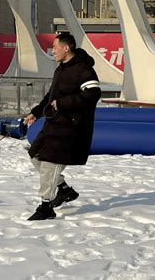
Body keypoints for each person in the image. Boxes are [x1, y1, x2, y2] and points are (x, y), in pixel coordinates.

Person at [23, 33, 101, 220]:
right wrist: (35, 112)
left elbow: (93, 95)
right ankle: (63, 189)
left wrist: (63, 103)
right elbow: (52, 96)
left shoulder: (83, 69)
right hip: (54, 125)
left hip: (70, 128)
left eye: (55, 47)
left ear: (66, 48)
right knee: (35, 155)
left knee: (50, 163)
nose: (53, 50)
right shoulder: (61, 69)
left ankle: (46, 207)